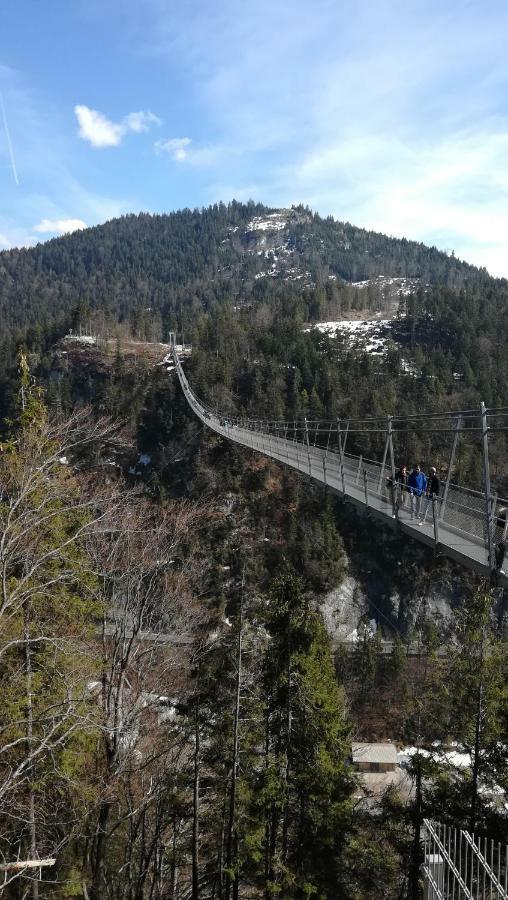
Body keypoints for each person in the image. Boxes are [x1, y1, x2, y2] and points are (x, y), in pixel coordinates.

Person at [495, 506, 508, 575]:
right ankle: (498, 567)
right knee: (501, 549)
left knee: (500, 548)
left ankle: (494, 562)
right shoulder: (503, 513)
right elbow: (498, 511)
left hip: (501, 533)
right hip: (500, 531)